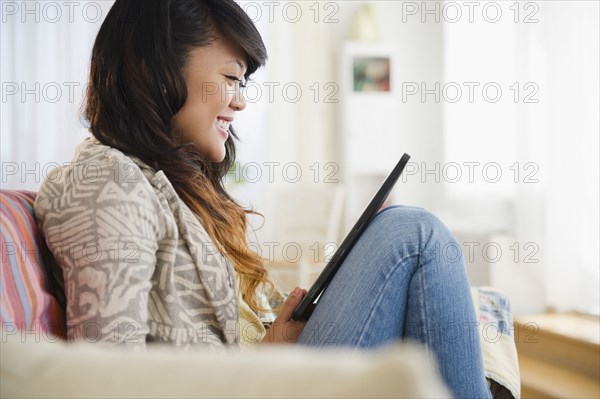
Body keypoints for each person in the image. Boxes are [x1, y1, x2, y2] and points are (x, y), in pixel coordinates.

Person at [34, 0, 492, 397]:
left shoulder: (164, 182)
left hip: (263, 372)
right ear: (157, 72)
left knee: (416, 246)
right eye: (231, 78)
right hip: (254, 384)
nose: (240, 102)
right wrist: (263, 362)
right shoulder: (107, 180)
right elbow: (110, 380)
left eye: (243, 83)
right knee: (411, 234)